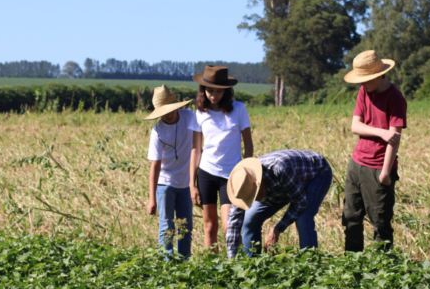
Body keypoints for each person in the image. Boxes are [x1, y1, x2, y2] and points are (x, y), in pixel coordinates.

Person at [341, 50, 407, 252]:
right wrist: (381, 132)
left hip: (379, 167)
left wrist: (386, 174)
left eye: (366, 79)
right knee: (350, 217)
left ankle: (382, 265)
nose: (362, 84)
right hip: (356, 164)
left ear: (379, 75)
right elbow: (355, 126)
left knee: (380, 221)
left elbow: (394, 139)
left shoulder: (395, 98)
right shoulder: (364, 91)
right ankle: (353, 261)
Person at [189, 65, 253, 253]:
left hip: (232, 175)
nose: (214, 95)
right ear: (203, 90)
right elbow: (196, 149)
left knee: (229, 226)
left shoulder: (239, 109)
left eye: (219, 91)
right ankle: (212, 267)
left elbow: (248, 144)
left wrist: (247, 172)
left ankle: (236, 264)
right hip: (206, 174)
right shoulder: (200, 113)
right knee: (209, 226)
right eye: (210, 90)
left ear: (226, 91)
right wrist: (191, 184)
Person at [224, 150, 334, 258]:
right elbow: (233, 223)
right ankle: (250, 265)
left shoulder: (279, 169)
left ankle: (310, 263)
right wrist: (232, 260)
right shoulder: (241, 186)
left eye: (254, 195)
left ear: (259, 183)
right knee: (249, 221)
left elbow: (300, 202)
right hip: (284, 186)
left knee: (303, 219)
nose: (254, 199)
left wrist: (276, 230)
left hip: (315, 174)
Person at [143, 85, 197, 258]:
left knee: (185, 226)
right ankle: (166, 264)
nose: (169, 114)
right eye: (164, 112)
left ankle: (183, 263)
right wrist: (152, 199)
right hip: (165, 184)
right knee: (167, 226)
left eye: (171, 109)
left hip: (186, 183)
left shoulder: (189, 116)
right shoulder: (157, 132)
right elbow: (155, 166)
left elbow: (198, 144)